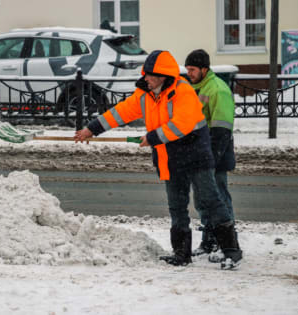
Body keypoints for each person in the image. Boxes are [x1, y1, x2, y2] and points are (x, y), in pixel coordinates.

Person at [74, 50, 242, 269]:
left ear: (163, 75)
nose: (146, 78)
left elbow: (182, 124)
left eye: (150, 75)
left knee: (211, 201)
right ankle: (181, 254)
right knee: (176, 206)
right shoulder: (144, 94)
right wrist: (92, 129)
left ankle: (231, 251)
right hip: (170, 158)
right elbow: (120, 112)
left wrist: (152, 137)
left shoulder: (183, 91)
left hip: (196, 155)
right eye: (145, 74)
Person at [184, 49, 237, 258]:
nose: (189, 73)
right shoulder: (193, 88)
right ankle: (209, 240)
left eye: (193, 69)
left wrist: (211, 159)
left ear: (204, 69)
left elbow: (222, 129)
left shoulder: (217, 89)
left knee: (219, 199)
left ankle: (226, 242)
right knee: (202, 200)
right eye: (187, 69)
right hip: (198, 154)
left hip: (215, 154)